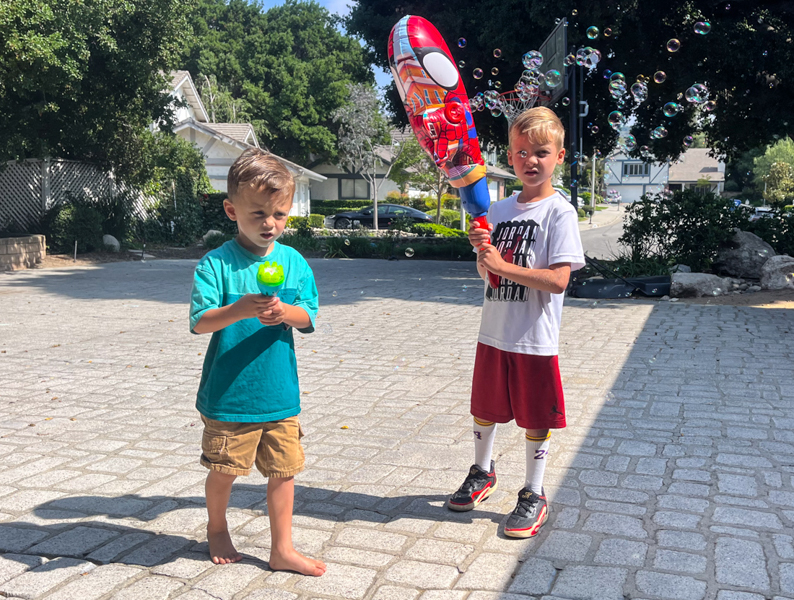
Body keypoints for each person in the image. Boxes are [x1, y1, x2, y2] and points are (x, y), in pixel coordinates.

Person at [447, 107, 585, 539]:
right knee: (484, 408)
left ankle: (534, 493)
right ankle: (482, 472)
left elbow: (559, 280)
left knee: (534, 416)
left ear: (560, 157)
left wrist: (503, 266)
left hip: (534, 339)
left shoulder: (559, 213)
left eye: (541, 152)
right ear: (510, 154)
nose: (531, 161)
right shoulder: (499, 209)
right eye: (522, 152)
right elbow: (488, 275)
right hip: (494, 330)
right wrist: (482, 253)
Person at [189, 148, 326, 576]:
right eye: (258, 213)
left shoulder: (293, 261)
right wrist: (241, 309)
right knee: (224, 470)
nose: (270, 224)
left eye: (280, 214)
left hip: (279, 393)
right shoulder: (217, 264)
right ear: (232, 209)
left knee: (284, 473)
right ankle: (216, 527)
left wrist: (285, 312)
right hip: (230, 394)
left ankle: (282, 548)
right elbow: (200, 322)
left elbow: (310, 314)